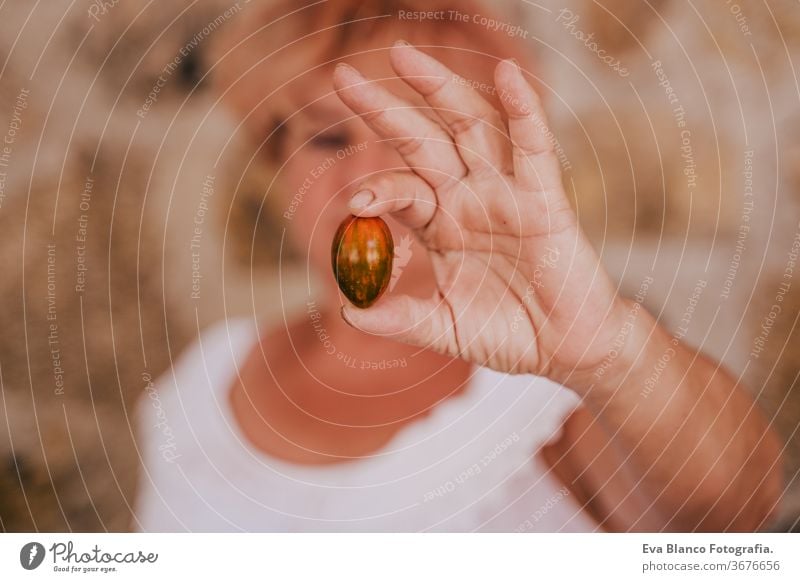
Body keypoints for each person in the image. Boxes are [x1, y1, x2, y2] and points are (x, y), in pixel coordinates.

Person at [133, 0, 783, 532]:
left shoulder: (556, 393)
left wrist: (610, 360)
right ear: (276, 158)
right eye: (328, 138)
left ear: (494, 154)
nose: (366, 177)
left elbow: (731, 516)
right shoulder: (203, 379)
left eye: (417, 133)